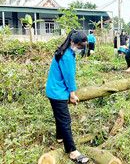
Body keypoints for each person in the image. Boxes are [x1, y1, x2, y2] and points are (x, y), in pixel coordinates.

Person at [45, 30, 89, 163]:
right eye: (79, 47)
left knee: (59, 115)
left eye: (82, 48)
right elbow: (69, 77)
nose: (80, 50)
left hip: (53, 88)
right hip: (57, 92)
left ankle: (60, 137)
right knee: (65, 120)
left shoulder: (64, 51)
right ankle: (72, 151)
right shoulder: (67, 56)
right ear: (72, 42)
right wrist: (72, 95)